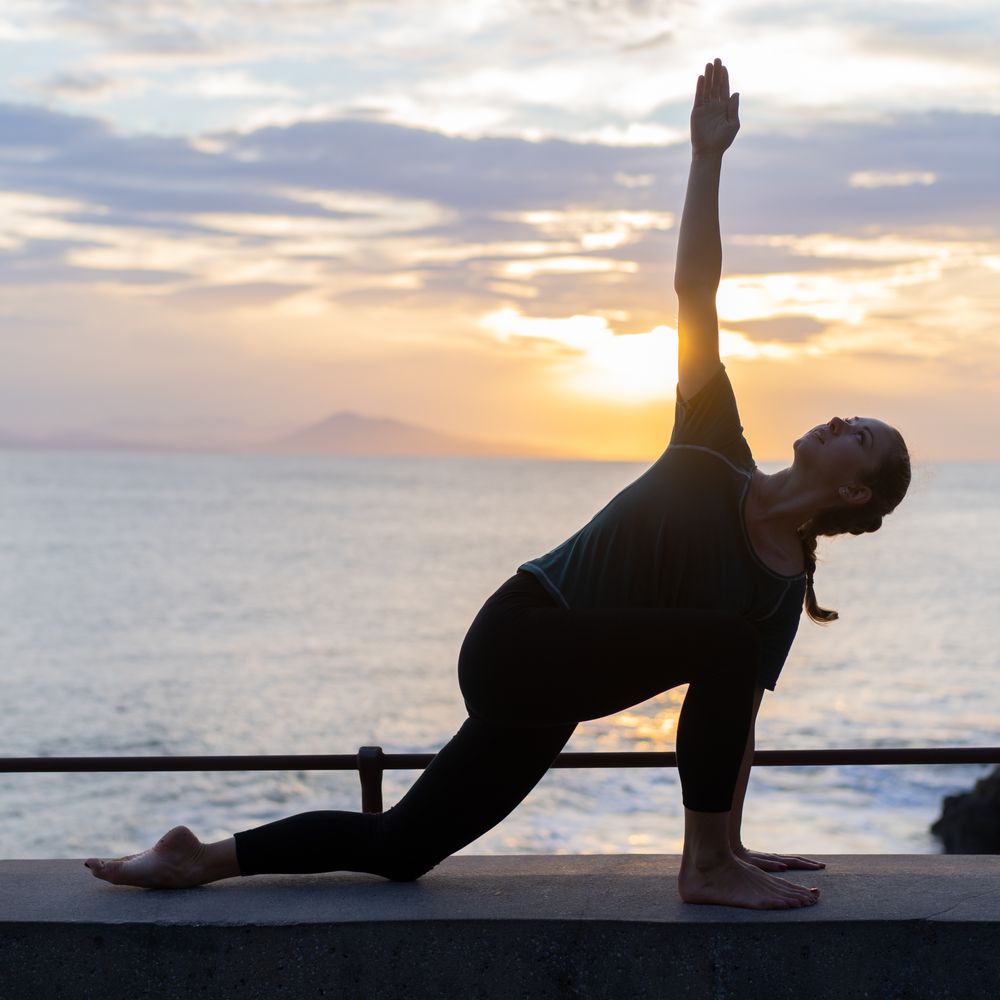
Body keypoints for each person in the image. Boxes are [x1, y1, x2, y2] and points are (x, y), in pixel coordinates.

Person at [85, 58, 911, 909]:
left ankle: (194, 858)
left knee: (403, 846)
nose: (843, 420)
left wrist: (735, 839)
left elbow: (734, 724)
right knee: (728, 646)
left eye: (863, 436)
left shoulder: (780, 585)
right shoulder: (711, 443)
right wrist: (707, 161)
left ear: (856, 494)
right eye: (851, 415)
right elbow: (695, 291)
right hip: (521, 636)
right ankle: (700, 870)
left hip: (565, 684)